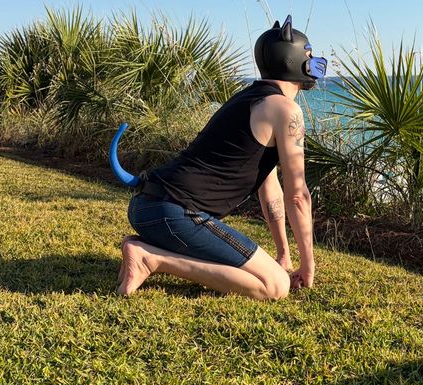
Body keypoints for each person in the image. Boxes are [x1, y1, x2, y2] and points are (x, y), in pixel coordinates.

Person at [116, 16, 328, 300]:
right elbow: (298, 195)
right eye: (310, 56)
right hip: (176, 213)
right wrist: (309, 265)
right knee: (276, 286)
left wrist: (284, 254)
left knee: (275, 273)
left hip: (146, 208)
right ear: (292, 61)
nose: (315, 62)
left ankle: (150, 251)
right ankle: (151, 259)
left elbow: (270, 187)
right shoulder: (286, 110)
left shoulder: (249, 99)